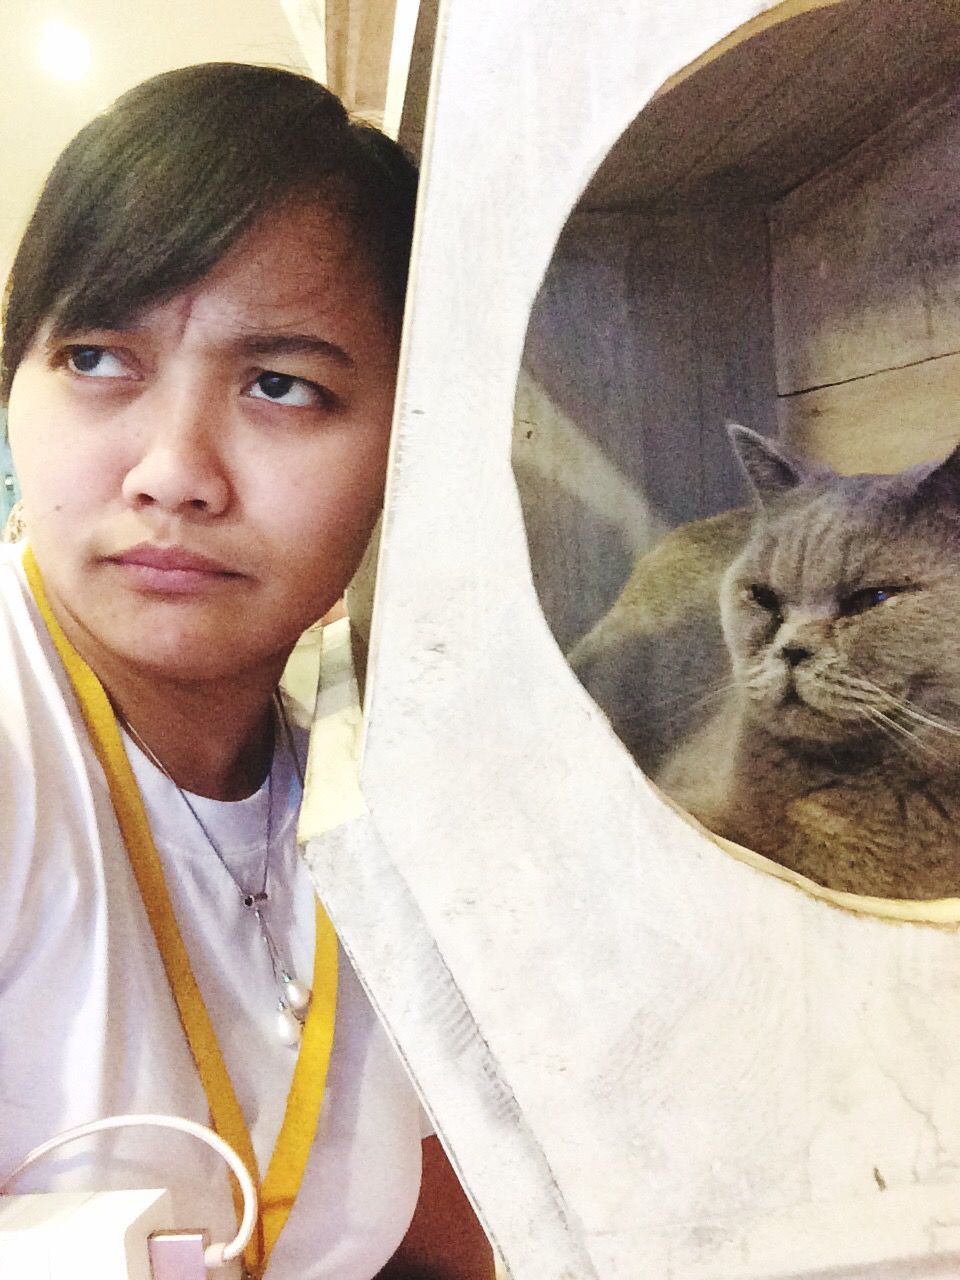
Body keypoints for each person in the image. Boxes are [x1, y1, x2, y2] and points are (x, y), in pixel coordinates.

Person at [0, 62, 493, 1280]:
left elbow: (428, 1226)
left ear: (417, 438)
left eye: (281, 383)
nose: (174, 470)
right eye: (98, 359)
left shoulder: (369, 784)